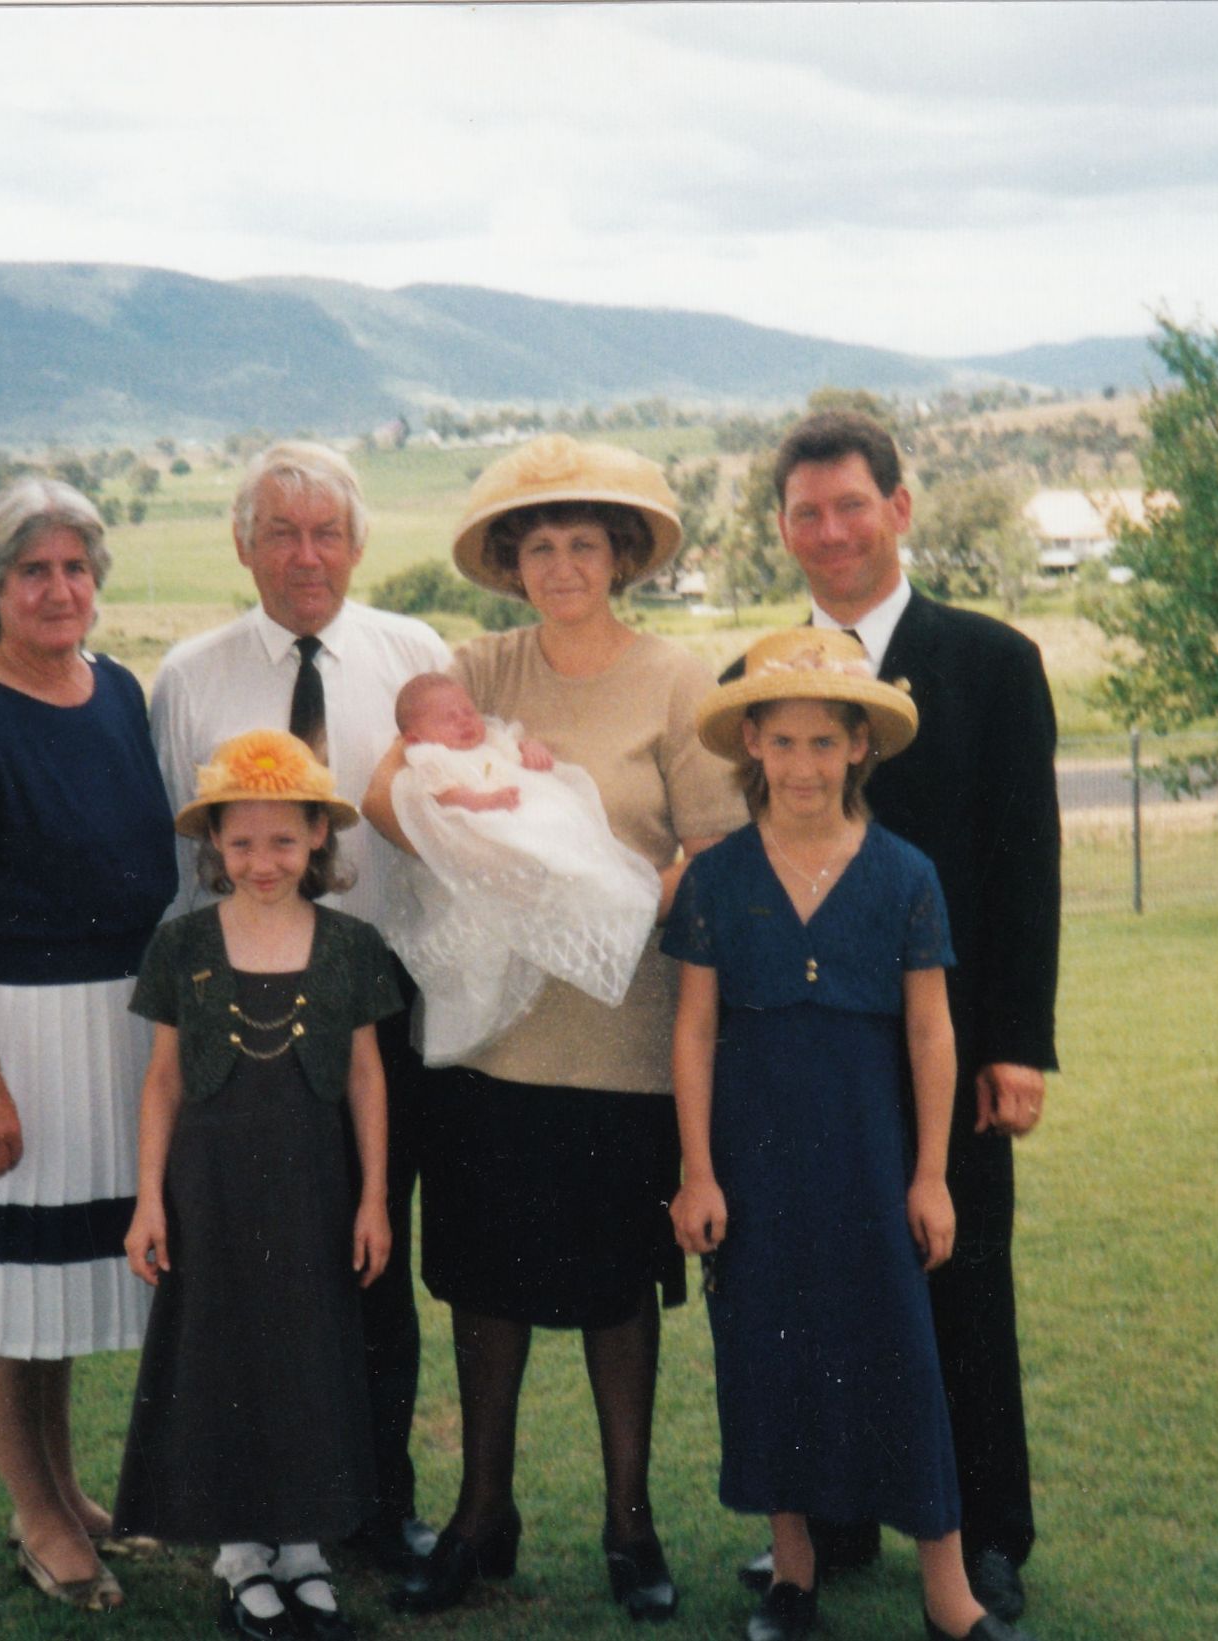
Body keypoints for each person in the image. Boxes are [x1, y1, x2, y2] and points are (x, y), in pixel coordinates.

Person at [362, 434, 746, 1621]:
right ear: (511, 565)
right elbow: (384, 794)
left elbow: (714, 851)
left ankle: (630, 1525)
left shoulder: (676, 680)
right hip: (487, 1048)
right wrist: (487, 859)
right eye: (539, 547)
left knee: (615, 1291)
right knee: (484, 1287)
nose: (562, 565)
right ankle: (481, 1513)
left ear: (620, 556)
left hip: (622, 1041)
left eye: (584, 543)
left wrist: (608, 907)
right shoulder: (475, 669)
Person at [730, 411, 1061, 1624]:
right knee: (818, 1281)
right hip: (797, 1057)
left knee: (956, 1282)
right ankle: (831, 1522)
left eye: (850, 506)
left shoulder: (989, 662)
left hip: (945, 1048)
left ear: (899, 509)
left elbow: (1025, 866)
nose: (829, 532)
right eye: (805, 513)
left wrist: (1015, 1044)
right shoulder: (751, 683)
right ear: (781, 529)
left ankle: (985, 1537)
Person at [667, 629, 1032, 1641]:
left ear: (860, 746)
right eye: (782, 742)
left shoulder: (904, 875)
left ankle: (947, 1591)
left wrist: (931, 1175)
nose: (803, 765)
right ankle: (794, 1574)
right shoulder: (717, 878)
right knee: (769, 1350)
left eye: (824, 742)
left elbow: (930, 1031)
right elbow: (693, 1029)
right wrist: (698, 1171)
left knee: (903, 1354)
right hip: (755, 1159)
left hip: (870, 1157)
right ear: (751, 744)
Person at [150, 442, 451, 1573]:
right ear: (244, 547)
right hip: (238, 1024)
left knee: (371, 1263)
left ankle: (373, 1506)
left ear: (358, 544)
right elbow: (179, 867)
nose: (306, 555)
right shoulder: (189, 676)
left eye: (327, 532)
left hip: (382, 1015)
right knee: (245, 1270)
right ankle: (252, 1508)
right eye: (282, 532)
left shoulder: (413, 656)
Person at [0, 476, 178, 1612]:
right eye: (32, 571)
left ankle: (65, 1492)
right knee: (4, 1282)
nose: (58, 590)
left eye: (74, 568)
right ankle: (38, 1514)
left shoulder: (117, 691)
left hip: (103, 1028)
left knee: (49, 1280)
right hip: (2, 1032)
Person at [113, 730, 401, 1641]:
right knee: (222, 1353)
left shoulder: (351, 945)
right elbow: (163, 1079)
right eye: (240, 842)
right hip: (210, 1191)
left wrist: (374, 1197)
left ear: (318, 834)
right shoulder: (183, 944)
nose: (262, 861)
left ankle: (305, 1547)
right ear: (214, 844)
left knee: (308, 1355)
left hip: (315, 1189)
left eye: (283, 839)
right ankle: (240, 1551)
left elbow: (367, 1076)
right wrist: (149, 1198)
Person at [377, 671, 663, 1065]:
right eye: (447, 718)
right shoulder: (429, 758)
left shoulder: (492, 742)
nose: (464, 721)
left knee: (566, 830)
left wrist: (531, 751)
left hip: (518, 812)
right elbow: (446, 796)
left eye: (468, 711)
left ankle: (601, 888)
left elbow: (517, 749)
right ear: (414, 738)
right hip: (478, 825)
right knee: (492, 922)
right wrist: (484, 802)